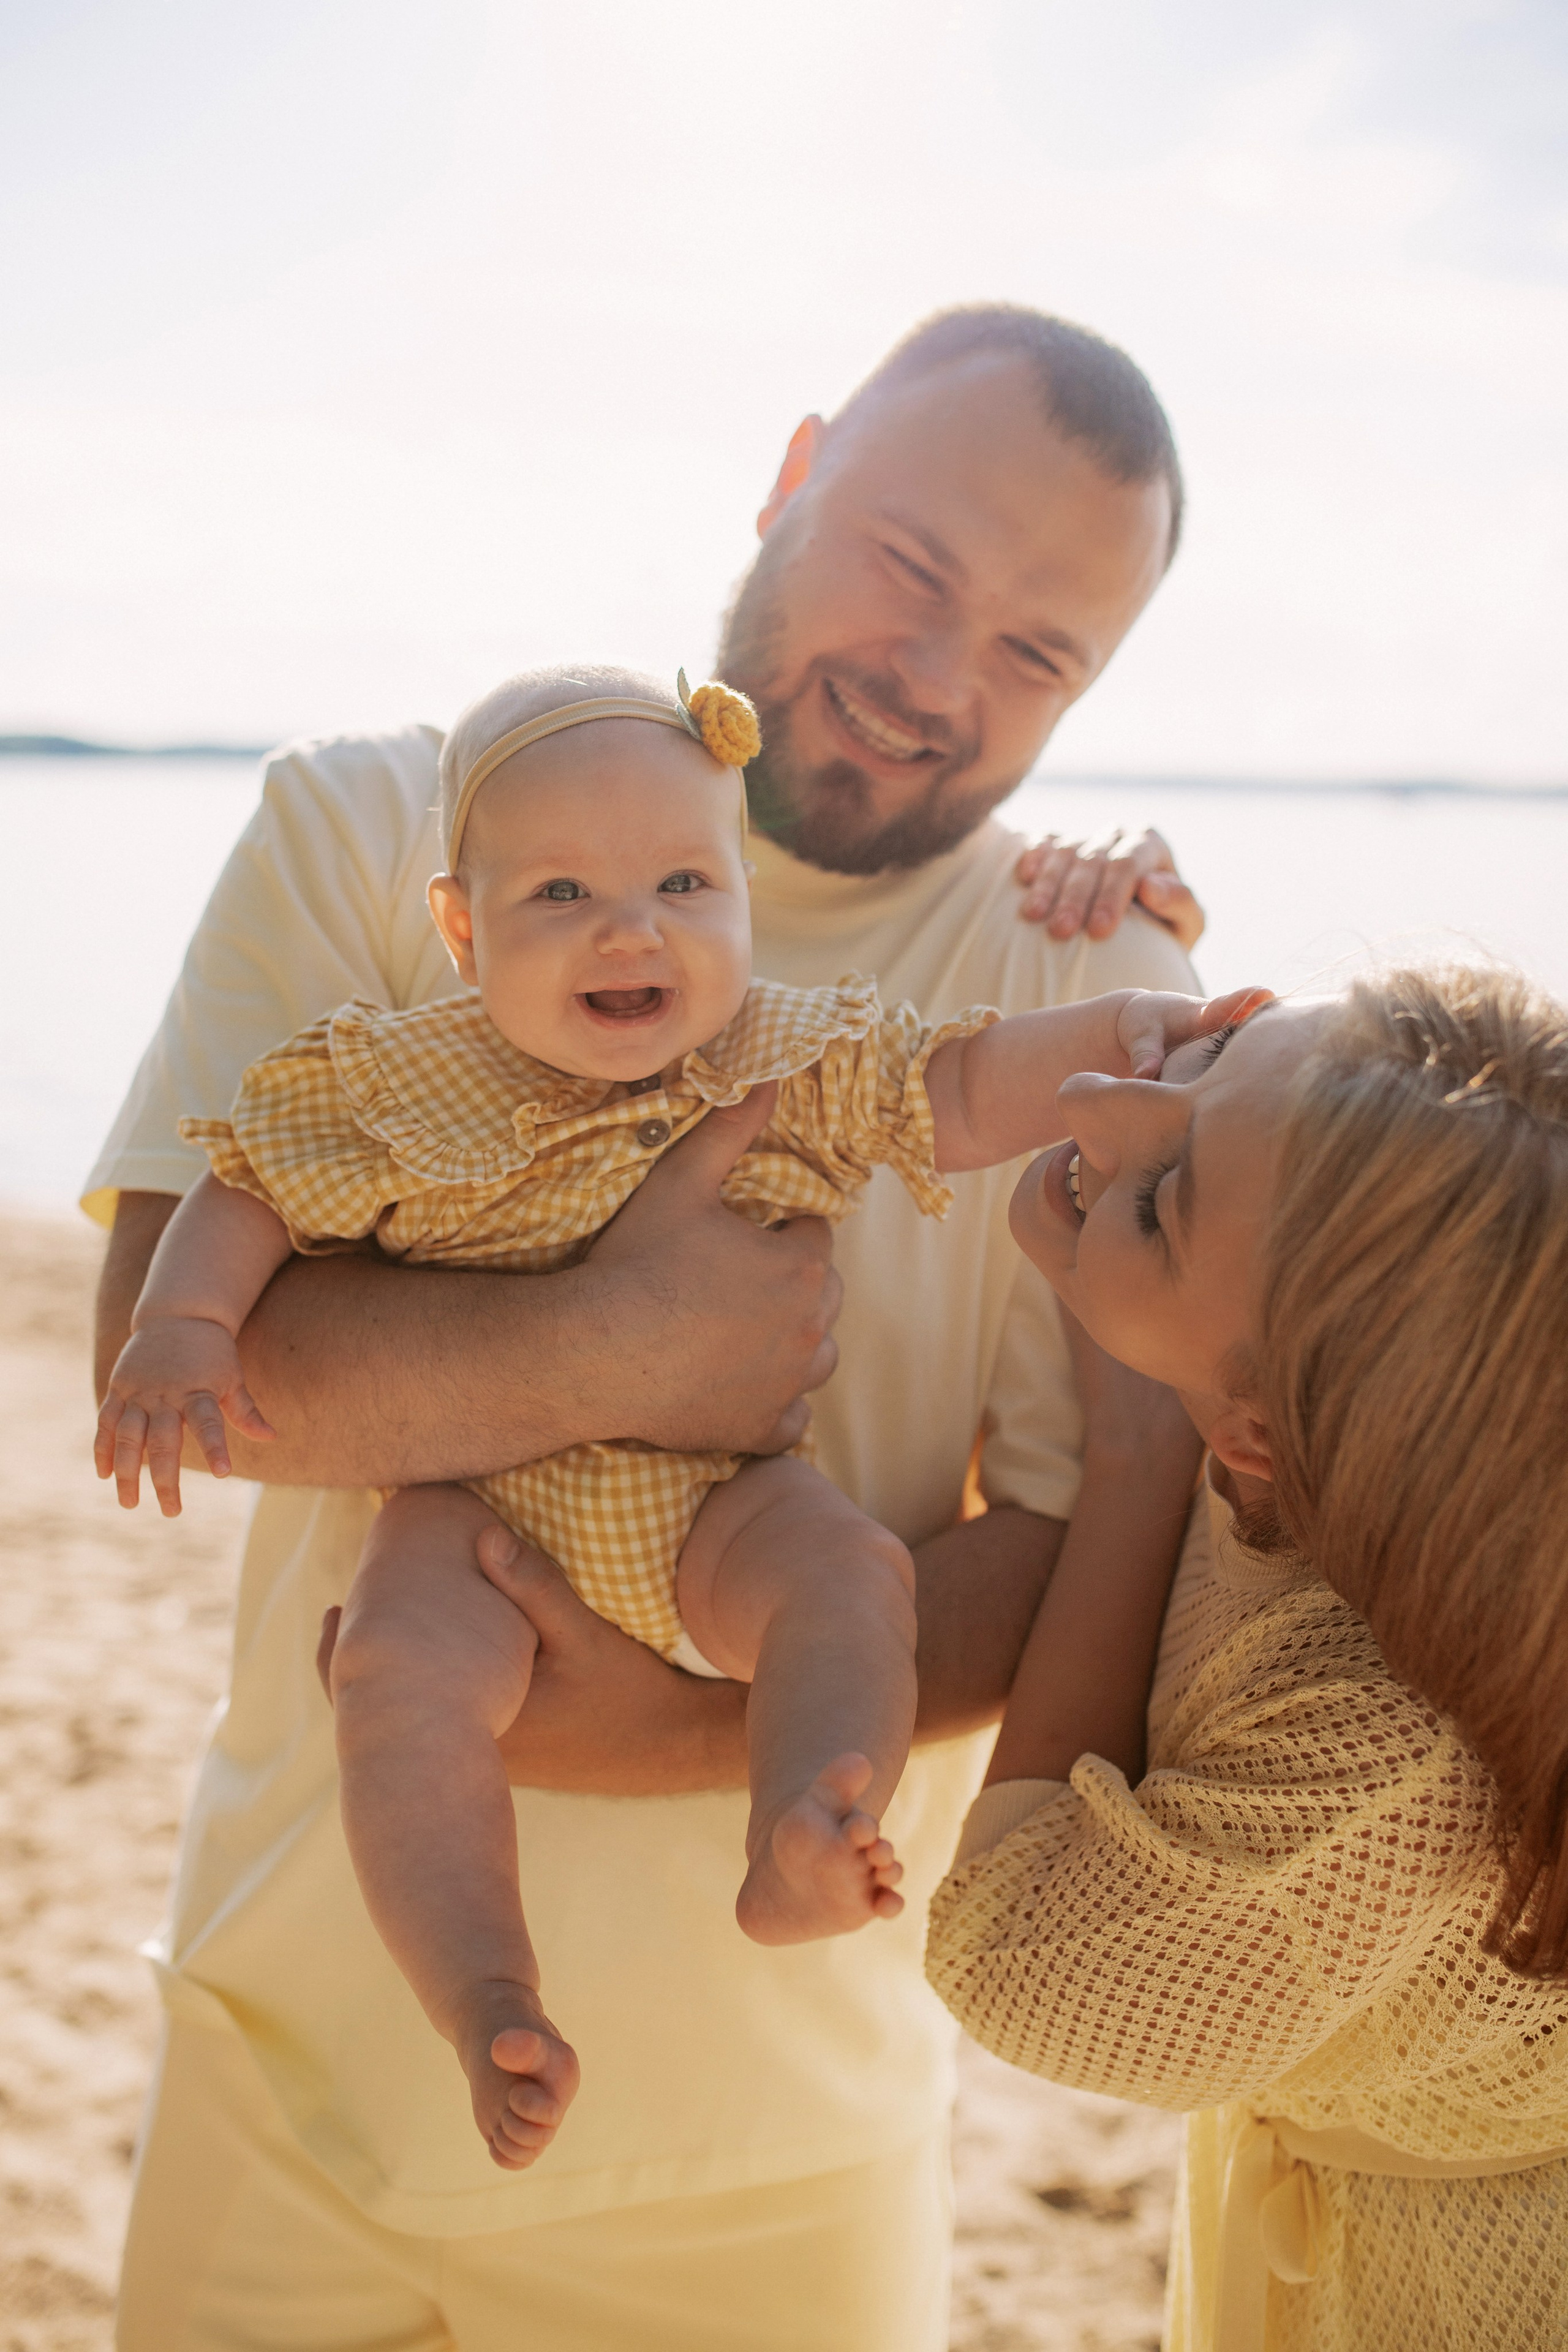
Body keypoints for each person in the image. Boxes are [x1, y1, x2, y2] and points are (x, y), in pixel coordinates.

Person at [93, 304, 1205, 2350]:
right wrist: (623, 1343)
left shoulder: (1077, 953)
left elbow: (1071, 1541)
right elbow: (169, 1368)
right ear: (793, 473)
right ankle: (482, 1977)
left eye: (1041, 652)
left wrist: (681, 1741)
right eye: (911, 563)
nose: (942, 677)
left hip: (775, 2153)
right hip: (287, 2058)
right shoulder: (374, 834)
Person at [925, 964, 1568, 2352]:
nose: (1097, 1100)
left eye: (1160, 1203)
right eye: (1214, 1059)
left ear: (1259, 1436)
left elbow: (1012, 1960)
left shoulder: (1380, 1744)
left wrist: (1131, 1446)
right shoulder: (1469, 1389)